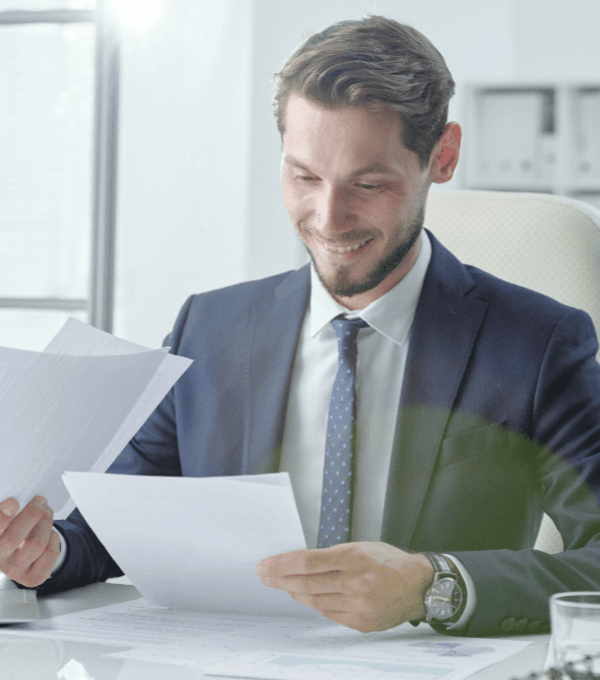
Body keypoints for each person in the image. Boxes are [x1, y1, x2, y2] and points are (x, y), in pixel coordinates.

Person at [1, 15, 600, 638]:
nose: (330, 219)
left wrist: (435, 584)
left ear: (441, 157)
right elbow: (115, 523)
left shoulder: (537, 342)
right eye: (304, 177)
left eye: (368, 184)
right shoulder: (208, 326)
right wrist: (49, 552)